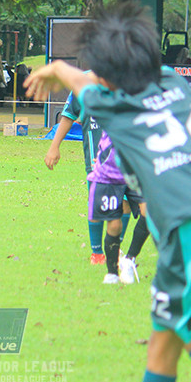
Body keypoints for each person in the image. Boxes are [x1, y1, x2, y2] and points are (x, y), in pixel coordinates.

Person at [25, 1, 191, 382]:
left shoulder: (110, 105)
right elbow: (110, 75)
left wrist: (57, 68)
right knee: (166, 340)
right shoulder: (173, 81)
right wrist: (69, 69)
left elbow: (85, 82)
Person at [45, 86, 131, 265]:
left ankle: (115, 247)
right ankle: (97, 253)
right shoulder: (82, 84)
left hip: (125, 157)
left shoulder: (127, 80)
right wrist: (54, 146)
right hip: (95, 161)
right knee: (97, 205)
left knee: (126, 203)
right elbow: (68, 116)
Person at [88, 130, 149, 285]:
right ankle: (112, 273)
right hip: (110, 174)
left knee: (151, 213)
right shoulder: (112, 110)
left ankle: (129, 260)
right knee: (114, 224)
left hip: (137, 172)